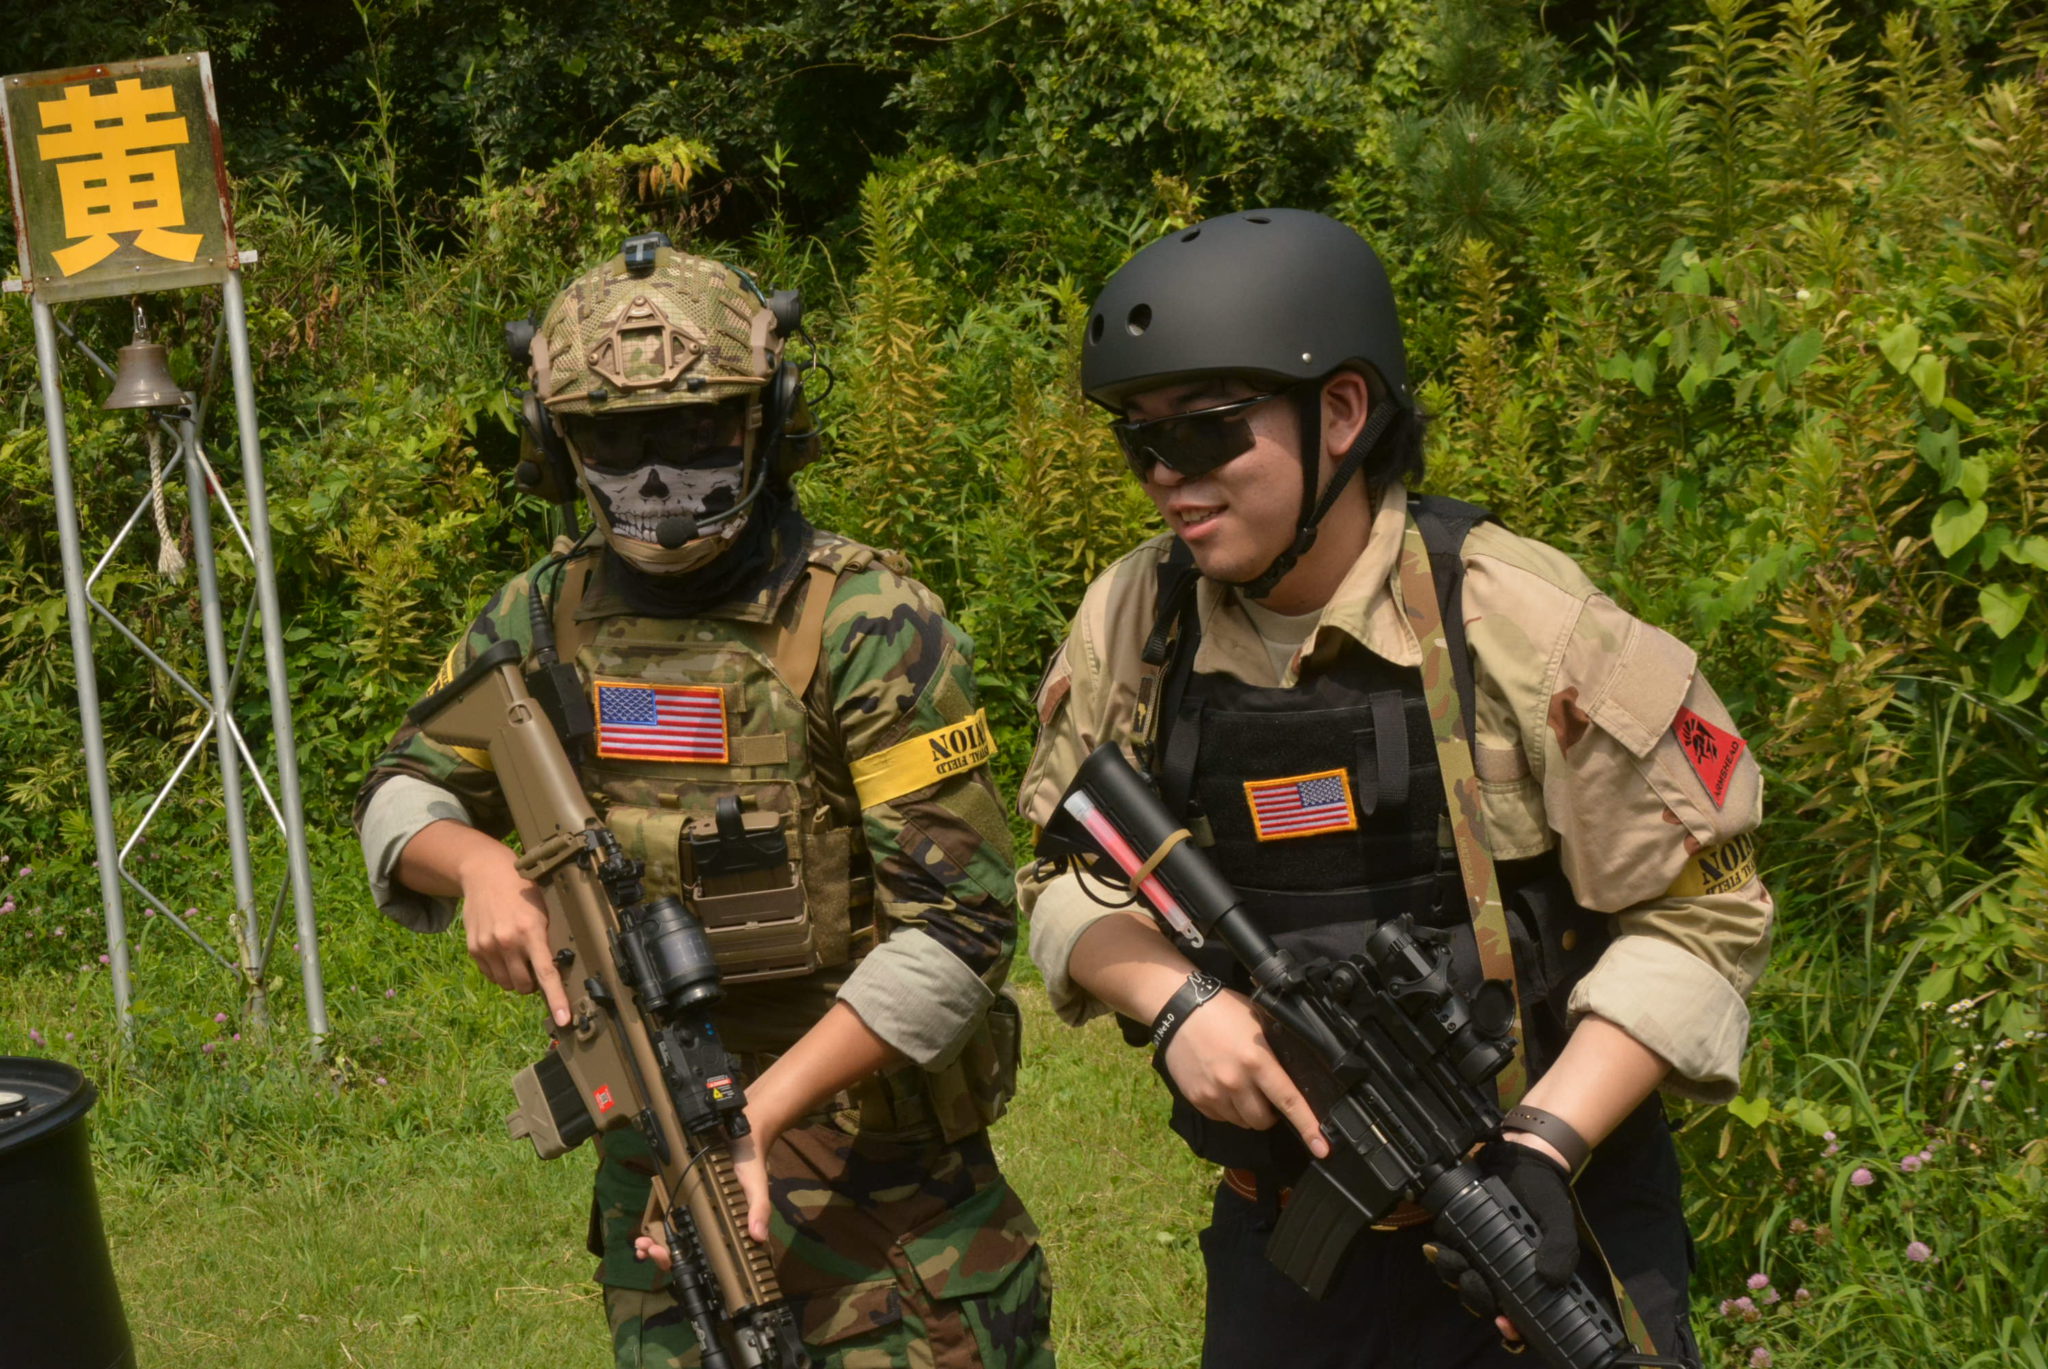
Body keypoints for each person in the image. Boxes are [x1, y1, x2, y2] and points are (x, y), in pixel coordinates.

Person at [1017, 208, 1771, 1368]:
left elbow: (1703, 911)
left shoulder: (1521, 626)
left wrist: (1544, 1139)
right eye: (1141, 440)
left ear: (1340, 413)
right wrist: (1174, 1002)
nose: (1167, 477)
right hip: (1288, 1247)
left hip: (1540, 1222)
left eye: (1206, 431)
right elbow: (1063, 872)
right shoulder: (1136, 621)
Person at [355, 235, 1053, 1368]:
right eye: (615, 439)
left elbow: (960, 927)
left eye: (695, 430)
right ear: (554, 443)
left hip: (882, 1189)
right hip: (663, 1176)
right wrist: (473, 864)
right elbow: (400, 789)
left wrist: (754, 1116)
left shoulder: (866, 621)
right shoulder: (542, 615)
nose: (656, 474)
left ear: (768, 419)